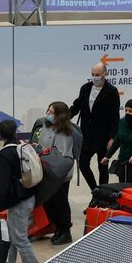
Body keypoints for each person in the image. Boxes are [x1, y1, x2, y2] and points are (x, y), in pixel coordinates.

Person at [0, 121, 39, 263]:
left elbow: (3, 184)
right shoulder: (22, 146)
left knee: (20, 239)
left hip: (19, 202)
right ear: (15, 132)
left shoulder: (5, 154)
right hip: (29, 195)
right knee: (13, 237)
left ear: (1, 135)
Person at [35, 101, 82, 245]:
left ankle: (65, 231)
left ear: (60, 116)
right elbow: (41, 143)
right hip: (47, 171)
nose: (48, 115)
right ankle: (56, 227)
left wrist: (42, 152)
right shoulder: (46, 125)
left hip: (60, 175)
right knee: (50, 201)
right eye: (47, 111)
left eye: (51, 113)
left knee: (60, 202)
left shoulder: (65, 134)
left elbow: (60, 157)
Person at [70, 62, 120, 191]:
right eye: (93, 74)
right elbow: (76, 106)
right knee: (83, 164)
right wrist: (63, 117)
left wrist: (112, 138)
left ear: (105, 74)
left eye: (98, 74)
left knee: (102, 167)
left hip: (103, 137)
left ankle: (103, 194)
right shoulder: (85, 88)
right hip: (87, 136)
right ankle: (95, 191)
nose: (95, 77)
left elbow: (115, 117)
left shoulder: (112, 91)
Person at [103, 99, 132, 184]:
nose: (127, 113)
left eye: (130, 111)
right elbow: (117, 141)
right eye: (126, 110)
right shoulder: (121, 122)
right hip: (123, 161)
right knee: (123, 187)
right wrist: (107, 156)